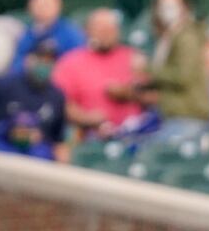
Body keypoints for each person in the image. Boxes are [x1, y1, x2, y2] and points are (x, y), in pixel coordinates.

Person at [0, 43, 66, 161]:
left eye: (49, 61)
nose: (44, 65)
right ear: (28, 60)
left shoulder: (57, 97)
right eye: (40, 59)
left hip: (37, 160)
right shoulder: (5, 84)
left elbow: (58, 140)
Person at [51, 9, 143, 140]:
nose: (105, 34)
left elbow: (154, 96)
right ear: (87, 31)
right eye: (100, 29)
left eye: (110, 29)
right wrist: (87, 118)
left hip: (134, 134)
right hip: (90, 136)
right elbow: (61, 102)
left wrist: (130, 93)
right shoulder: (70, 62)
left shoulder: (134, 58)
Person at [143, 0, 209, 142]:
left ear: (185, 7)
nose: (167, 9)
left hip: (188, 117)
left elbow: (183, 75)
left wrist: (148, 69)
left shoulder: (186, 37)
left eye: (173, 4)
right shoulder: (167, 37)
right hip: (172, 117)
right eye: (163, 4)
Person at [12, 0, 84, 70]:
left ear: (59, 5)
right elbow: (15, 65)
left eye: (46, 4)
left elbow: (79, 64)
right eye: (37, 3)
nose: (42, 8)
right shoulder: (27, 34)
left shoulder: (71, 33)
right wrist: (27, 63)